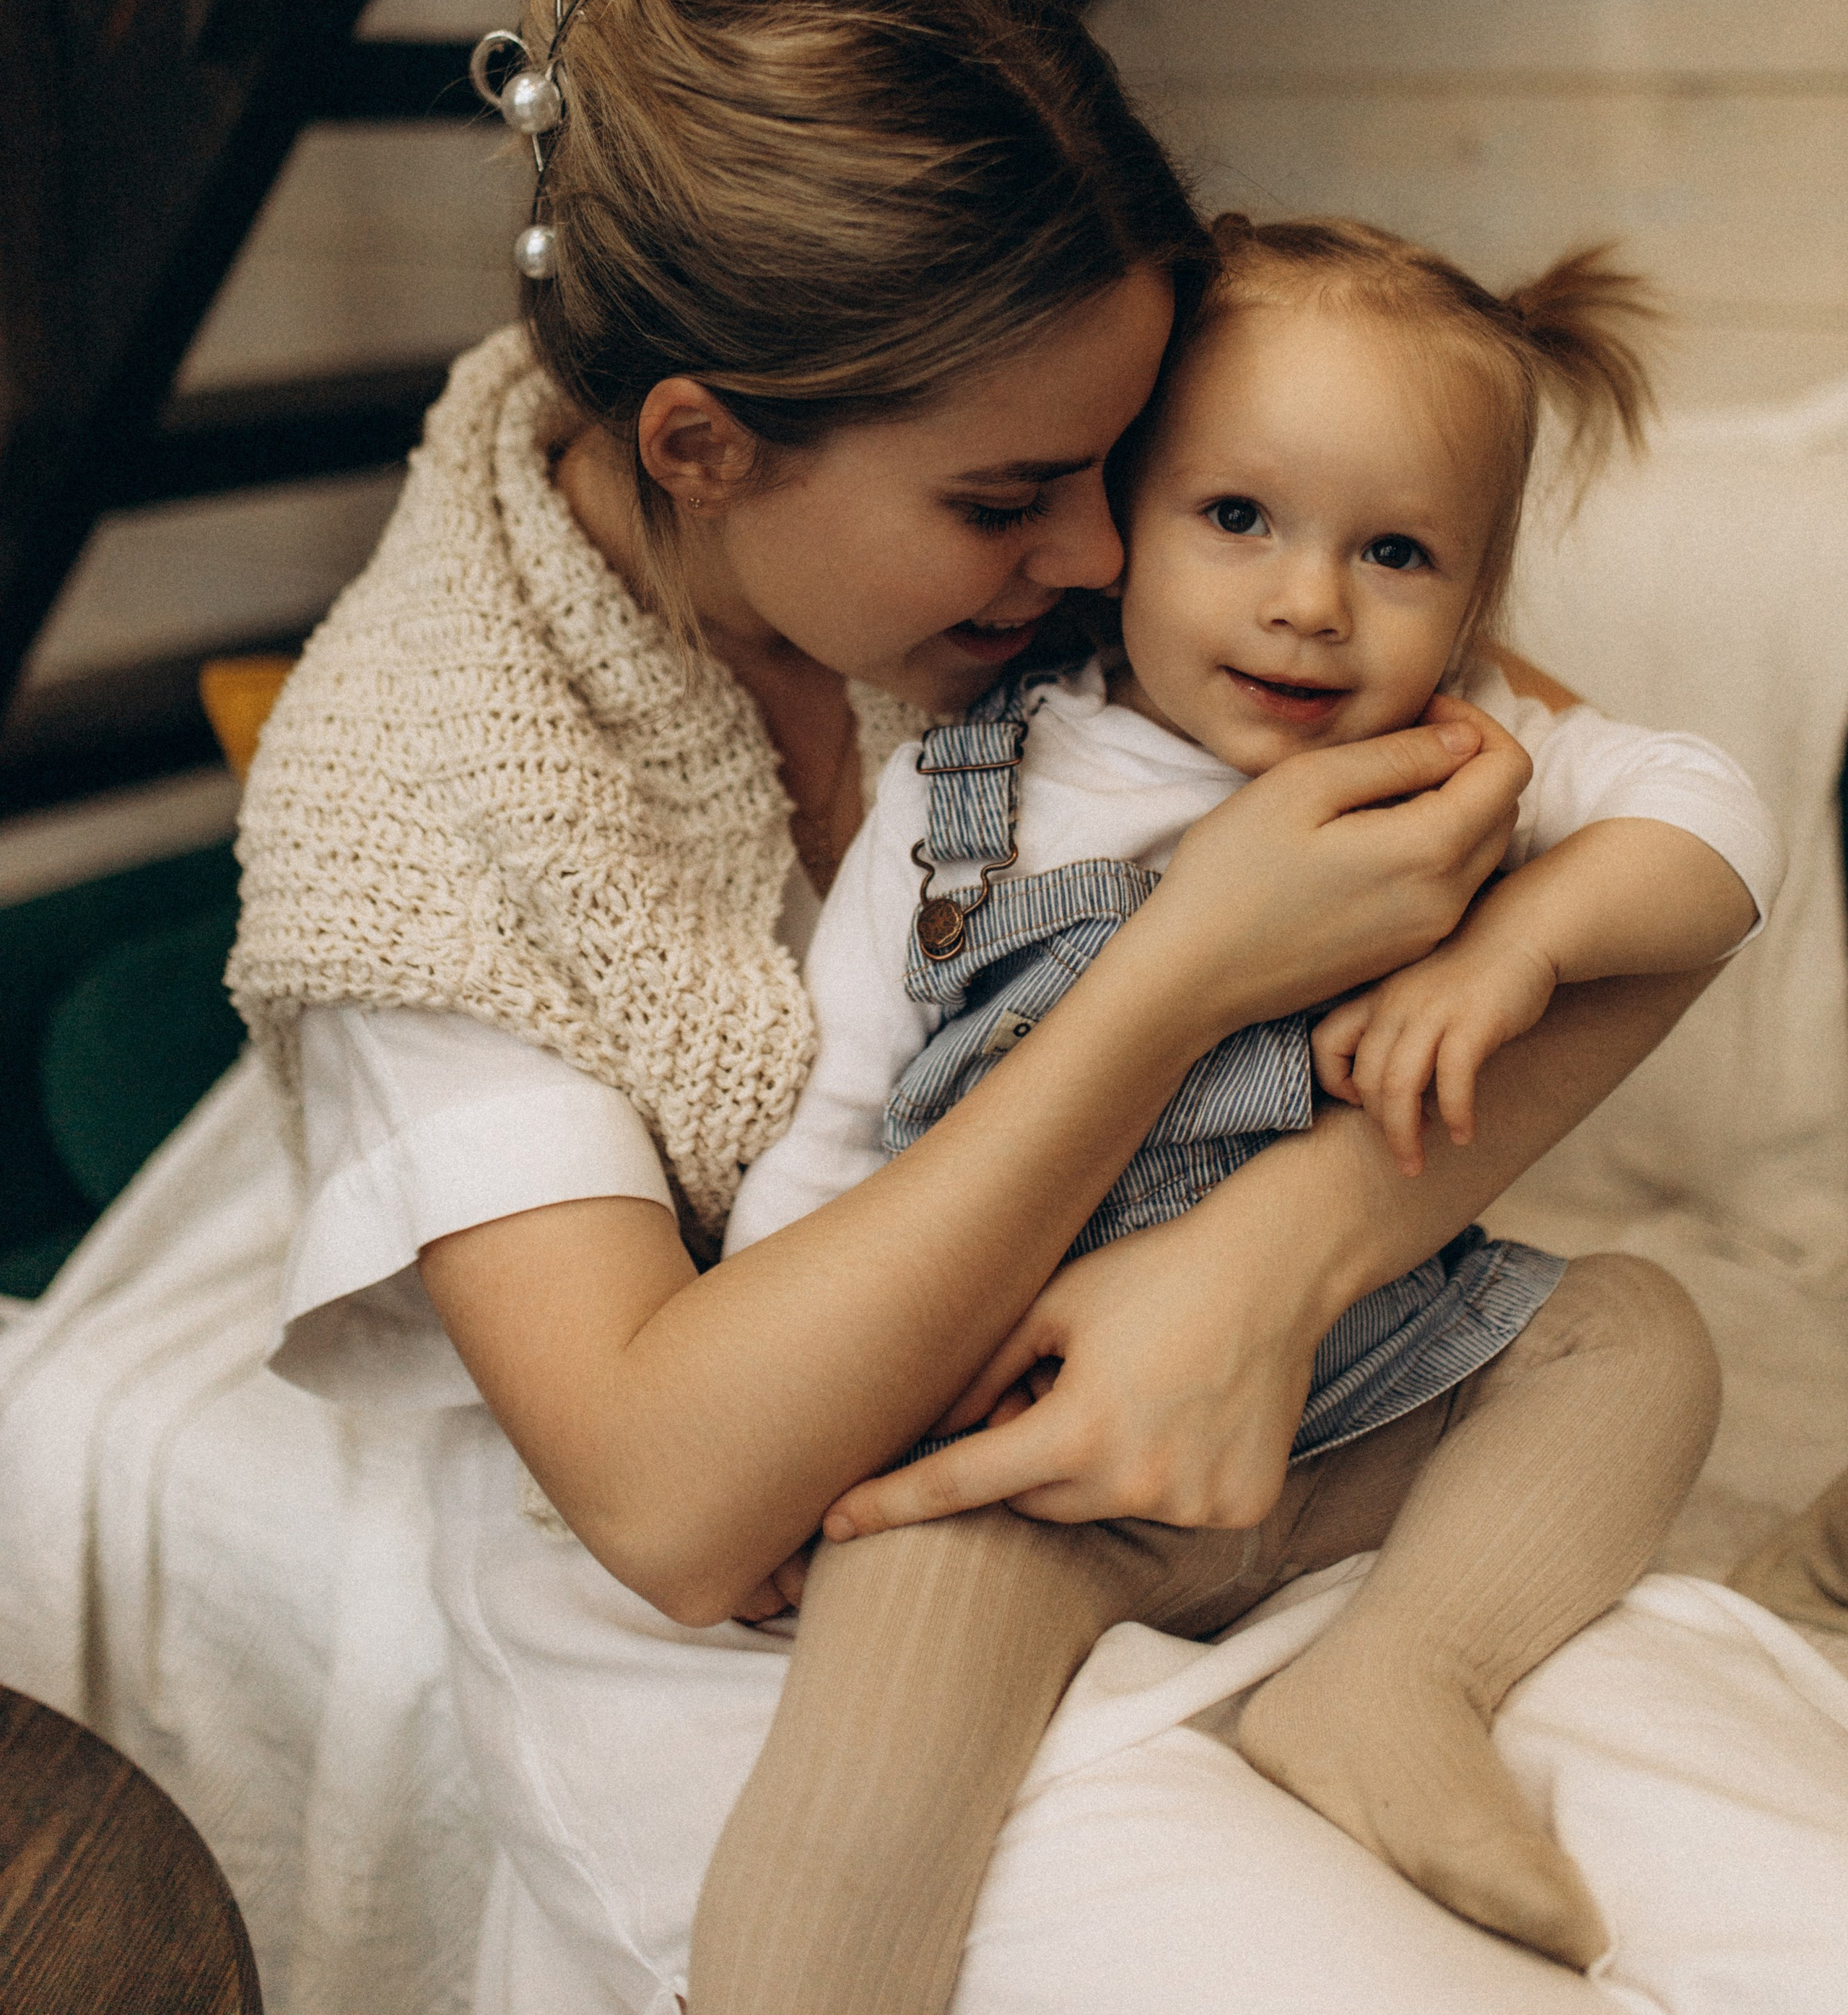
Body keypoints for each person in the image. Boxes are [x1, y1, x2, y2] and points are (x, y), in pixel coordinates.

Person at [230, 0, 1717, 2015]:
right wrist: (1178, 973)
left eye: (1129, 468)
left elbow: (1602, 870)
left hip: (1242, 1396)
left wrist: (1270, 1255)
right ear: (703, 450)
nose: (1106, 551)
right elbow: (672, 1504)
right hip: (794, 1550)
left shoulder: (1087, 509)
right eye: (1020, 497)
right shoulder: (422, 802)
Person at [706, 214, 1782, 2009]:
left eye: (1395, 551)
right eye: (1237, 520)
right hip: (1041, 1454)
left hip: (1361, 1387)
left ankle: (1394, 1684)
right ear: (1115, 517)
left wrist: (1517, 938)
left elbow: (1712, 822)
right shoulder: (974, 795)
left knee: (1629, 1334)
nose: (1310, 602)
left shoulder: (1460, 751)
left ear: (1472, 593)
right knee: (887, 1653)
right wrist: (797, 1463)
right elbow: (830, 1139)